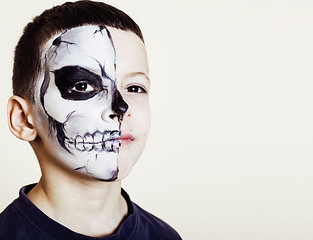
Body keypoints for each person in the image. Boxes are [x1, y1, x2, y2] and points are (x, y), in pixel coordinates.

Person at [0, 1, 182, 239]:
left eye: (135, 87)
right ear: (24, 119)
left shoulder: (164, 236)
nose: (120, 107)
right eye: (83, 85)